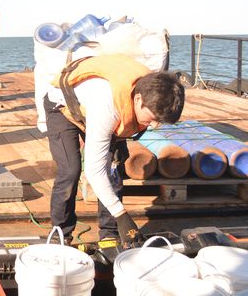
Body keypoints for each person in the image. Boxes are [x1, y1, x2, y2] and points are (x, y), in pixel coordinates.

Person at [44, 54, 185, 246]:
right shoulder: (107, 106)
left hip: (97, 109)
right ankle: (61, 233)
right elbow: (94, 171)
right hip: (61, 107)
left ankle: (110, 234)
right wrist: (122, 215)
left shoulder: (151, 91)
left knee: (113, 170)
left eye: (159, 121)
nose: (154, 126)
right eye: (152, 118)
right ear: (138, 99)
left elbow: (106, 168)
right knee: (70, 170)